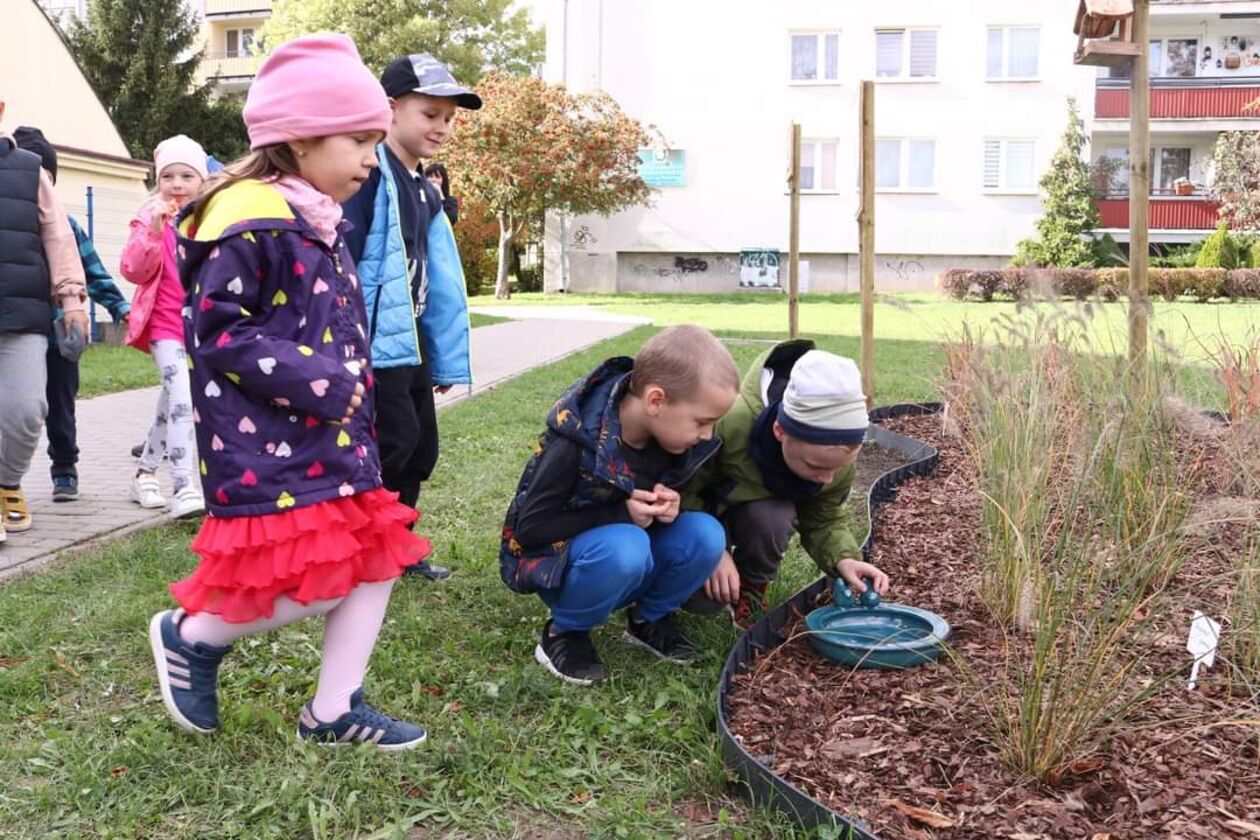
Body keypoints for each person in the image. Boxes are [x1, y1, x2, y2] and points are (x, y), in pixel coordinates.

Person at [147, 33, 432, 750]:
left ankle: (333, 710)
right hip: (268, 445)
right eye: (359, 140)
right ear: (301, 139)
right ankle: (193, 635)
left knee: (377, 558)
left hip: (327, 436)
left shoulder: (313, 216)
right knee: (324, 577)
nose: (372, 158)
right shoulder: (247, 218)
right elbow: (220, 333)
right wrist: (327, 381)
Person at [499, 325, 740, 685]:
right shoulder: (573, 442)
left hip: (621, 554)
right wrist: (621, 514)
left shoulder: (672, 440)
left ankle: (649, 620)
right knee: (628, 545)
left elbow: (654, 513)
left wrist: (668, 508)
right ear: (656, 401)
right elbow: (530, 530)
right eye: (702, 422)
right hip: (559, 562)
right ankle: (565, 632)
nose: (707, 435)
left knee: (705, 533)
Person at [342, 53, 479, 581]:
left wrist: (439, 351)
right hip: (375, 339)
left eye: (448, 117)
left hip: (411, 335)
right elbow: (348, 258)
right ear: (391, 108)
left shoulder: (423, 186)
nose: (441, 127)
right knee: (391, 443)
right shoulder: (371, 175)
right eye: (430, 114)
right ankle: (366, 549)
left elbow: (435, 274)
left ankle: (398, 545)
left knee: (421, 445)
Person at [683, 342, 890, 627]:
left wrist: (844, 559)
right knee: (700, 601)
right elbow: (682, 491)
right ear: (780, 431)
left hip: (753, 519)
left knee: (774, 516)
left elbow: (823, 519)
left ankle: (750, 592)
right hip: (699, 520)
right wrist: (712, 550)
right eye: (815, 466)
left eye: (837, 468)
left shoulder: (836, 459)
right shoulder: (730, 425)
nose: (827, 478)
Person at [13, 126, 132, 501]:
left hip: (59, 336)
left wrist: (122, 307)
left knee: (60, 406)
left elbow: (93, 273)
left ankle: (64, 468)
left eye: (45, 177)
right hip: (16, 333)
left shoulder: (67, 225)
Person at [0, 101, 87, 544]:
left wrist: (72, 300)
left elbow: (58, 236)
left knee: (27, 411)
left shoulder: (29, 169)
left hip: (21, 313)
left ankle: (7, 482)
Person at [120, 134, 208, 519]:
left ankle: (144, 473)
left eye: (187, 175)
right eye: (168, 175)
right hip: (164, 326)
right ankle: (185, 485)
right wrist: (154, 232)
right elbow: (133, 270)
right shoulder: (149, 219)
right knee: (183, 400)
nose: (176, 184)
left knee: (171, 401)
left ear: (202, 181)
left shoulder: (208, 220)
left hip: (200, 326)